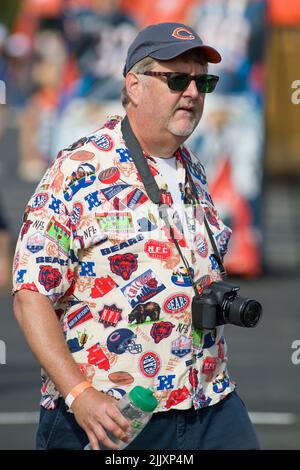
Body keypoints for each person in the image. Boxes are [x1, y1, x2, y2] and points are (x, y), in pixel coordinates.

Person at [12, 22, 260, 450]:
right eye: (177, 79)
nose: (193, 93)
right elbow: (30, 295)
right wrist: (79, 393)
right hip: (109, 421)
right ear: (134, 85)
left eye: (203, 81)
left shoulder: (194, 169)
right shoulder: (79, 169)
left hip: (208, 402)